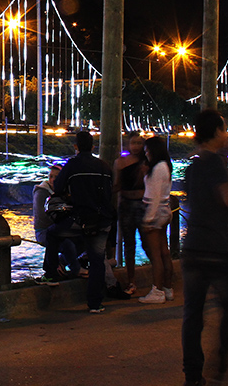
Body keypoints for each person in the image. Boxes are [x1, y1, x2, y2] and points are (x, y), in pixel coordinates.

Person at [179, 111, 228, 386]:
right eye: (225, 129)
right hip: (216, 248)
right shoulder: (215, 163)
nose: (227, 134)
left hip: (192, 247)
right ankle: (221, 364)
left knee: (192, 314)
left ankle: (192, 376)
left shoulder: (191, 166)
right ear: (216, 132)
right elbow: (226, 198)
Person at [53, 131, 116, 313]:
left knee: (52, 234)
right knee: (97, 260)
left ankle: (52, 272)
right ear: (93, 147)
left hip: (80, 219)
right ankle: (95, 303)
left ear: (76, 147)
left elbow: (58, 187)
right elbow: (109, 192)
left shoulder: (72, 165)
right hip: (102, 219)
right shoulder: (104, 166)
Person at [138, 137, 175, 304]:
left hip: (155, 211)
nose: (145, 153)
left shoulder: (157, 168)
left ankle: (157, 290)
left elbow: (154, 196)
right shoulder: (165, 166)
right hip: (164, 210)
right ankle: (167, 288)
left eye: (147, 150)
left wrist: (148, 220)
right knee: (164, 252)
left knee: (156, 254)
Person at [114, 132, 148, 294]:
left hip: (142, 204)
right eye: (133, 143)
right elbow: (117, 185)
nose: (136, 146)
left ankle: (159, 281)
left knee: (148, 242)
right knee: (128, 244)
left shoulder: (147, 162)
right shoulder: (120, 163)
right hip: (126, 204)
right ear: (127, 145)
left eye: (139, 143)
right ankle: (131, 281)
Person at [33, 165, 78, 283]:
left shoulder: (66, 192)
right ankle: (70, 268)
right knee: (67, 243)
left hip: (60, 228)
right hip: (44, 230)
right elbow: (43, 217)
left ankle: (61, 264)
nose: (52, 180)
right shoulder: (41, 192)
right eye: (50, 176)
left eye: (56, 177)